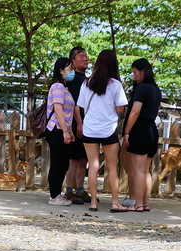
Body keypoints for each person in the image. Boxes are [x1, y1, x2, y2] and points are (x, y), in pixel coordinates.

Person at [77, 49, 127, 212]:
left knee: (93, 165)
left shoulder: (87, 83)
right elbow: (120, 109)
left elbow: (81, 106)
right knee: (112, 167)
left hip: (90, 129)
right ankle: (114, 203)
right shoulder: (115, 84)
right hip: (108, 130)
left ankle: (93, 202)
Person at [121, 58, 163, 213]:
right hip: (152, 130)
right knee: (145, 170)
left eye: (134, 72)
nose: (133, 75)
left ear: (143, 71)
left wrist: (126, 132)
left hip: (140, 130)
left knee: (138, 170)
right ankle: (144, 203)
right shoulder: (156, 90)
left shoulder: (142, 88)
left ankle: (137, 204)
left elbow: (135, 111)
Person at [45, 57, 83, 206]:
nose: (72, 72)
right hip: (56, 129)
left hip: (63, 128)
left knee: (63, 163)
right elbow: (58, 110)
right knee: (58, 163)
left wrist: (69, 130)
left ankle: (57, 194)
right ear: (61, 71)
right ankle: (54, 196)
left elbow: (68, 112)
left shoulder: (64, 88)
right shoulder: (58, 87)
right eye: (69, 69)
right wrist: (65, 131)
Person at [64, 46, 90, 205]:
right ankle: (69, 190)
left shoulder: (87, 79)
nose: (85, 59)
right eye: (81, 56)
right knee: (73, 159)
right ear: (73, 61)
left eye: (86, 56)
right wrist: (79, 123)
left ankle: (80, 189)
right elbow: (74, 104)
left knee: (83, 158)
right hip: (76, 123)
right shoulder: (73, 80)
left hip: (88, 123)